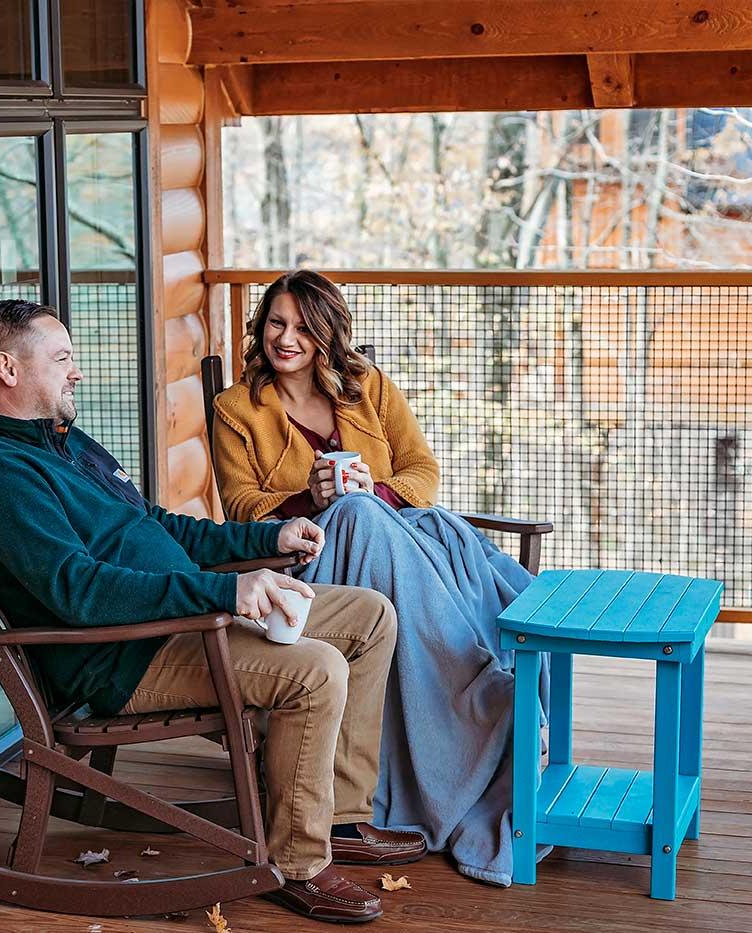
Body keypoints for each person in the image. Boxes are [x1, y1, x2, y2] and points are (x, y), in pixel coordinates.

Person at [0, 299, 426, 924]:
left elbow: (157, 525)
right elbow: (78, 592)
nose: (77, 372)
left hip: (182, 619)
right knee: (315, 671)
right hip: (124, 657)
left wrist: (268, 537)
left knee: (369, 616)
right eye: (62, 359)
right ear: (8, 369)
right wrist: (223, 593)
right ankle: (299, 863)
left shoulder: (61, 442)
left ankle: (336, 817)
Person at [211, 270, 549, 887]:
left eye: (302, 327)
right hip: (311, 562)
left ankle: (487, 708)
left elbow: (423, 469)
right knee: (356, 517)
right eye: (275, 323)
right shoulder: (236, 410)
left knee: (385, 521)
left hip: (402, 537)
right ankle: (487, 711)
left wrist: (379, 491)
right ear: (260, 328)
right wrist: (310, 501)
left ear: (327, 333)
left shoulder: (366, 384)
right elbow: (241, 510)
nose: (285, 338)